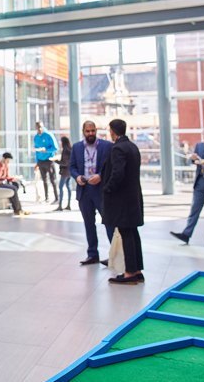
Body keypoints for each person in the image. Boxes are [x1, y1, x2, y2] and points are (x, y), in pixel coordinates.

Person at [102, 119, 144, 285]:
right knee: (133, 233)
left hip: (122, 199)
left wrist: (108, 188)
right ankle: (137, 270)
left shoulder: (118, 148)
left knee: (126, 234)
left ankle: (129, 273)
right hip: (133, 197)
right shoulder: (133, 147)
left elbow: (118, 173)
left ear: (113, 131)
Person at [69, 120, 114, 266]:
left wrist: (100, 175)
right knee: (89, 224)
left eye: (93, 131)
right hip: (84, 190)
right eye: (88, 131)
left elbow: (111, 166)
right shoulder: (76, 147)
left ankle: (115, 255)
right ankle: (92, 254)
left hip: (101, 190)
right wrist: (77, 177)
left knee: (109, 223)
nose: (90, 134)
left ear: (96, 130)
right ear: (83, 131)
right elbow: (72, 167)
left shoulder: (107, 146)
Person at [33, 121, 59, 203]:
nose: (39, 129)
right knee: (44, 180)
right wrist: (37, 163)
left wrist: (46, 150)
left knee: (53, 180)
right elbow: (36, 151)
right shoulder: (36, 137)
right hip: (41, 161)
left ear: (43, 126)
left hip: (49, 160)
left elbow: (55, 148)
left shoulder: (49, 135)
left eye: (40, 127)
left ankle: (56, 198)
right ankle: (47, 198)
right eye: (37, 127)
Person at [57, 136, 73, 211]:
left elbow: (65, 163)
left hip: (65, 172)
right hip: (69, 171)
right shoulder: (69, 149)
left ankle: (60, 206)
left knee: (60, 187)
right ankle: (68, 205)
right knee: (68, 186)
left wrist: (56, 161)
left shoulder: (65, 150)